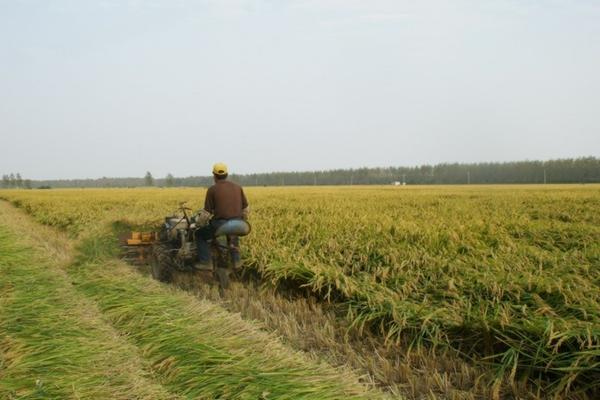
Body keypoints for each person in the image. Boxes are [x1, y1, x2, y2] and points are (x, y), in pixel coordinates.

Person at [194, 162, 249, 270]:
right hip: (238, 224)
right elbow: (246, 209)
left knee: (199, 235)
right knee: (233, 235)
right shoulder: (238, 187)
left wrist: (198, 224)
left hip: (221, 224)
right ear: (226, 174)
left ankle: (206, 262)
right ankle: (236, 261)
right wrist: (241, 220)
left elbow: (206, 213)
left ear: (214, 176)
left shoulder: (212, 190)